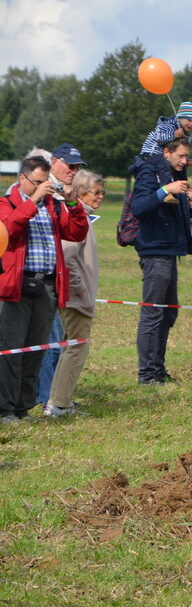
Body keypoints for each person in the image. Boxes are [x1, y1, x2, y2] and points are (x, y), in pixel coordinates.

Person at [0, 156, 89, 423]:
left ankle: (23, 409)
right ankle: (4, 410)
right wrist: (34, 200)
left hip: (47, 285)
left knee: (35, 350)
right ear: (22, 179)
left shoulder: (52, 205)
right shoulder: (6, 204)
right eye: (38, 182)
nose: (44, 186)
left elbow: (76, 232)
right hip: (16, 286)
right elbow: (9, 229)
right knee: (10, 350)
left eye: (45, 181)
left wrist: (72, 202)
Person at [130, 137, 192, 385]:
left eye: (186, 156)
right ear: (166, 152)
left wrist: (191, 202)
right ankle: (146, 375)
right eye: (180, 156)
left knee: (169, 313)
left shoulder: (172, 173)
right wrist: (166, 190)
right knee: (153, 314)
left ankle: (158, 370)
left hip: (170, 251)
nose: (183, 161)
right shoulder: (150, 171)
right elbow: (139, 207)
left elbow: (176, 212)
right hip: (154, 252)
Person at [45, 170, 104, 416]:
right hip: (75, 296)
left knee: (74, 344)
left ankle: (61, 401)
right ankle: (59, 404)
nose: (100, 197)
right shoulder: (74, 217)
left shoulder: (83, 216)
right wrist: (79, 291)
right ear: (79, 193)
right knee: (77, 346)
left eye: (103, 192)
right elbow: (67, 259)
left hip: (77, 294)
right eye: (96, 192)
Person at [37, 143, 87, 407]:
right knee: (47, 340)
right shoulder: (38, 187)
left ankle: (53, 397)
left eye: (78, 166)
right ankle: (47, 398)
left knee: (55, 338)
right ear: (54, 162)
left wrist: (71, 202)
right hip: (29, 277)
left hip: (53, 277)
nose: (75, 171)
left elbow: (76, 232)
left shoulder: (62, 194)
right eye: (71, 165)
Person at [141, 102, 192, 166]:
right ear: (179, 118)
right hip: (152, 154)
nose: (191, 124)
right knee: (165, 169)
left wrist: (187, 161)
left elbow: (179, 151)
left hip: (166, 158)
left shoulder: (186, 134)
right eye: (189, 120)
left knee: (179, 170)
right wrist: (173, 135)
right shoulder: (167, 124)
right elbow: (158, 138)